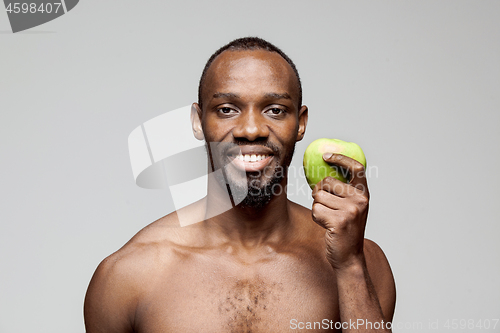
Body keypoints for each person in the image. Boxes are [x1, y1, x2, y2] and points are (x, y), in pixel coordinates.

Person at [84, 37, 396, 332]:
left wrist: (350, 265)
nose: (250, 130)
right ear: (198, 121)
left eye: (275, 110)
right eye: (227, 109)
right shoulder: (128, 276)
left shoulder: (363, 265)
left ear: (300, 123)